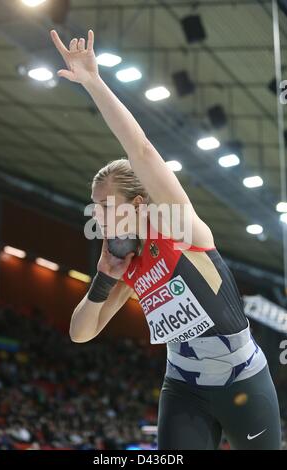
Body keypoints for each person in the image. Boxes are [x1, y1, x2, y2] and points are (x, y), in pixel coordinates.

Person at [51, 29, 282, 450]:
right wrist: (104, 281)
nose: (96, 213)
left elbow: (141, 151)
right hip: (183, 388)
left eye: (105, 204)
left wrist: (93, 82)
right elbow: (80, 333)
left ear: (138, 205)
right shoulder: (123, 262)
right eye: (93, 204)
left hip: (243, 382)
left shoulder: (179, 228)